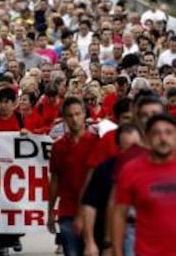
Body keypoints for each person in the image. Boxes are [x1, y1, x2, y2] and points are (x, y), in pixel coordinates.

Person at [113, 114, 176, 256]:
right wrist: (117, 251)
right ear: (146, 138)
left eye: (169, 132)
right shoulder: (130, 170)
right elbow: (119, 214)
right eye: (156, 133)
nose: (163, 138)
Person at [47, 96, 99, 256]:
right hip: (67, 210)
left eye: (78, 114)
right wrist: (50, 212)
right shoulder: (58, 147)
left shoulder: (97, 142)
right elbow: (54, 180)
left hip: (93, 210)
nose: (74, 119)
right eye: (70, 115)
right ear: (64, 119)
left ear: (84, 115)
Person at [82, 123, 142, 255]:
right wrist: (90, 241)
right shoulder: (105, 170)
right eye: (127, 149)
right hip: (110, 240)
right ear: (119, 148)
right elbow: (90, 205)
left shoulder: (155, 170)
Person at [0, 87, 29, 256]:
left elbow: (34, 138)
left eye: (6, 102)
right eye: (0, 102)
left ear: (14, 104)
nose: (3, 106)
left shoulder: (20, 118)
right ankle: (1, 243)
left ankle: (16, 236)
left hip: (17, 172)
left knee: (16, 206)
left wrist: (26, 133)